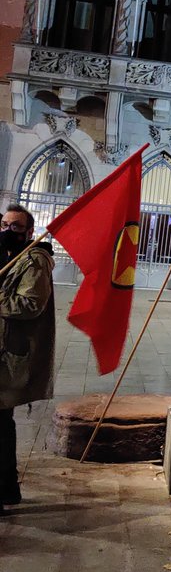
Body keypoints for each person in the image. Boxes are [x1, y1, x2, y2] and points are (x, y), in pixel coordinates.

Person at [0, 203, 55, 515]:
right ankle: (8, 490)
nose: (8, 231)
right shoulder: (7, 255)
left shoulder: (34, 261)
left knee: (1, 425)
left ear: (29, 231)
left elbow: (30, 305)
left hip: (9, 356)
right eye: (5, 224)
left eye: (16, 227)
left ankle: (4, 491)